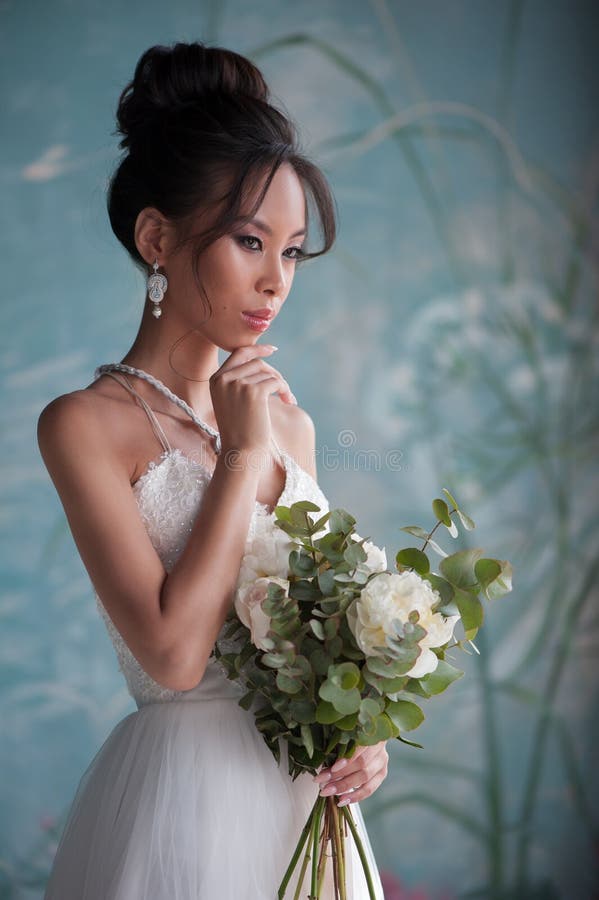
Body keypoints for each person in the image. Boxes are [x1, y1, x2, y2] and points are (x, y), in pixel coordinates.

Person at [37, 40, 388, 899]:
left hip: (306, 811)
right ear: (157, 237)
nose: (275, 281)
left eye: (294, 252)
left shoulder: (291, 423)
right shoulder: (84, 425)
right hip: (180, 806)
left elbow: (322, 646)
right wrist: (238, 459)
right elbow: (173, 658)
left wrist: (363, 732)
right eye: (247, 240)